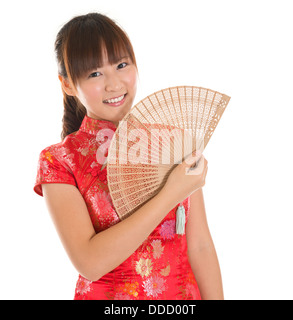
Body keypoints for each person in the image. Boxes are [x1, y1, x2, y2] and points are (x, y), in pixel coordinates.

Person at [33, 12, 223, 300]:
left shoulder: (173, 141)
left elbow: (200, 246)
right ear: (68, 84)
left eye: (122, 65)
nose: (114, 83)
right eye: (95, 73)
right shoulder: (60, 160)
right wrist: (170, 193)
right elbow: (90, 263)